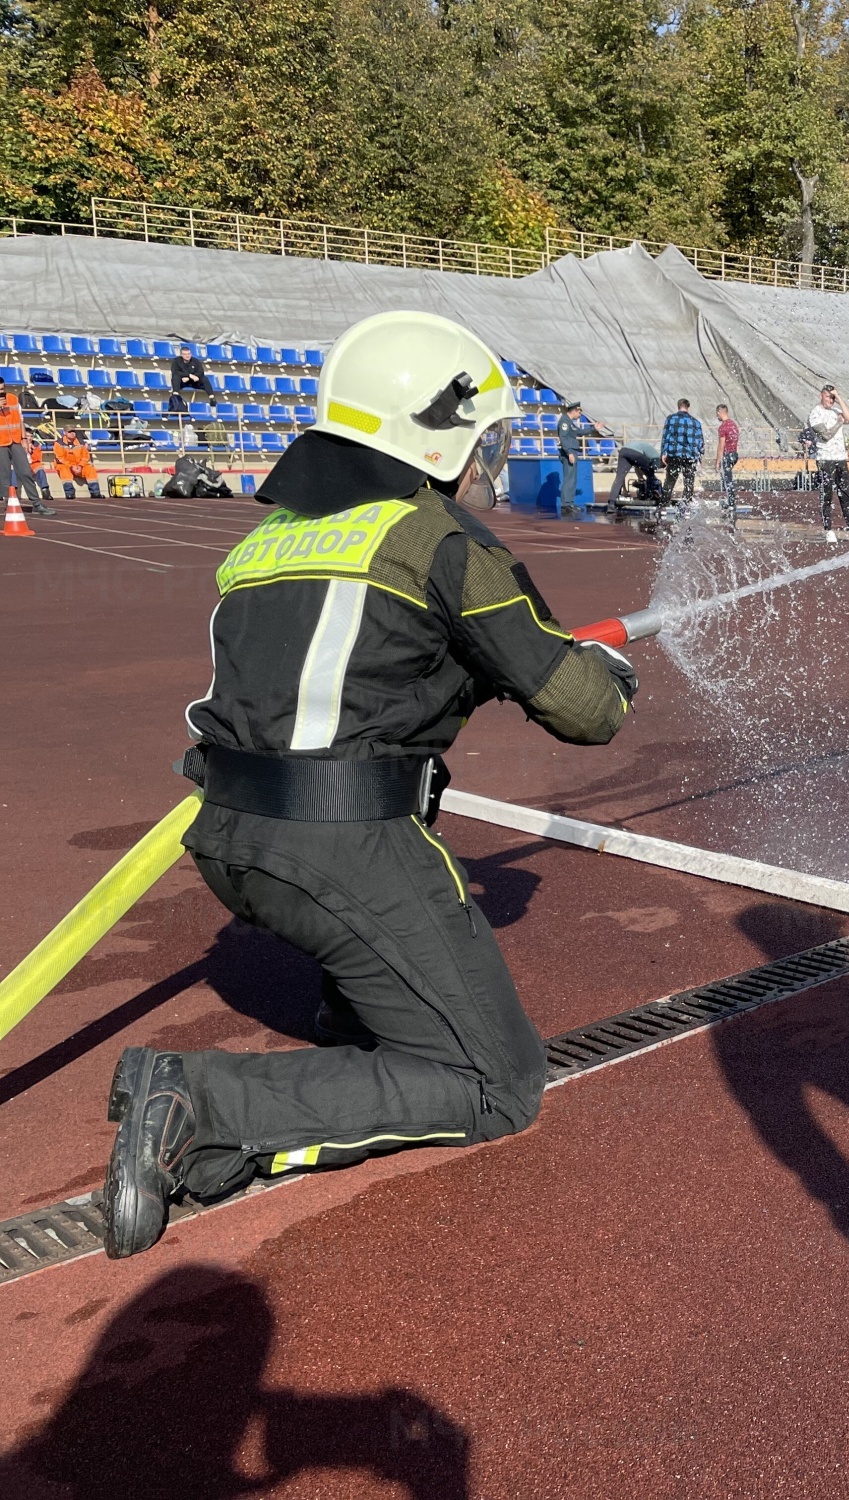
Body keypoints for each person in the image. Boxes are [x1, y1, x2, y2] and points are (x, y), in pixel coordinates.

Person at [98, 309, 638, 1260]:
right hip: (340, 845)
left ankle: (347, 1018)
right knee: (493, 1084)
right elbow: (586, 711)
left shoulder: (269, 540)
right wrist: (606, 676)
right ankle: (197, 1098)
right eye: (481, 438)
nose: (486, 460)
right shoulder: (444, 544)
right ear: (435, 434)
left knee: (385, 898)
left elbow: (348, 676)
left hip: (230, 836)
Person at [808, 384, 849, 543]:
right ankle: (828, 529)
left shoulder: (837, 411)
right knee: (827, 494)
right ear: (821, 396)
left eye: (833, 397)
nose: (830, 400)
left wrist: (840, 399)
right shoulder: (815, 413)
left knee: (846, 494)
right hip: (825, 459)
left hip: (840, 458)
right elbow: (825, 436)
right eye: (828, 396)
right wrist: (838, 423)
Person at [0, 379, 53, 515]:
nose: (2, 392)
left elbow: (20, 420)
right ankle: (10, 504)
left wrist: (24, 439)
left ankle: (36, 504)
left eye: (2, 389)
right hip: (1, 443)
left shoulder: (12, 399)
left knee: (25, 472)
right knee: (4, 475)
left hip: (16, 441)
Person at [554, 400, 595, 518]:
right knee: (569, 479)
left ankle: (570, 503)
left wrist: (593, 428)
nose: (580, 415)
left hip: (572, 452)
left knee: (572, 479)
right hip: (569, 453)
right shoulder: (564, 422)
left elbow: (579, 431)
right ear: (574, 411)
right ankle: (565, 505)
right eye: (579, 412)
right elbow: (563, 438)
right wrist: (569, 452)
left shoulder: (569, 422)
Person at [660, 398, 704, 509]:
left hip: (674, 454)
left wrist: (663, 452)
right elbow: (700, 440)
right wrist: (700, 456)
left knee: (670, 481)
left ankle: (665, 504)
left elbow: (666, 436)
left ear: (678, 406)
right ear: (688, 407)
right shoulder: (695, 422)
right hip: (690, 456)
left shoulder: (671, 419)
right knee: (689, 482)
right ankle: (686, 505)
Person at [608, 440, 664, 508]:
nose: (661, 467)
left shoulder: (647, 452)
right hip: (635, 452)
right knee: (650, 475)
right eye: (662, 466)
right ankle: (653, 496)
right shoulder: (657, 458)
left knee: (619, 477)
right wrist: (653, 480)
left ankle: (611, 504)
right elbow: (650, 470)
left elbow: (638, 468)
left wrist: (625, 490)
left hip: (623, 451)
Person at [51, 426, 103, 499]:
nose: (72, 433)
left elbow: (85, 456)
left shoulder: (81, 443)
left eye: (73, 431)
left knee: (90, 469)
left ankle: (95, 493)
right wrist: (72, 466)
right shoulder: (58, 443)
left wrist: (80, 466)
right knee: (64, 471)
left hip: (79, 465)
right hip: (65, 465)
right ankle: (69, 493)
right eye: (70, 432)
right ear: (64, 433)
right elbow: (60, 458)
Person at [168, 344, 215, 413]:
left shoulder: (196, 361)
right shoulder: (176, 361)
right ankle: (176, 396)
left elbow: (200, 372)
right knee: (175, 377)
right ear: (181, 355)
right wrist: (189, 375)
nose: (187, 356)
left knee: (204, 379)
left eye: (189, 354)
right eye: (185, 354)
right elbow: (175, 372)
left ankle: (212, 398)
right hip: (182, 382)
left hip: (193, 382)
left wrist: (191, 378)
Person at [716, 403, 740, 510]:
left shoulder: (723, 427)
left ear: (719, 412)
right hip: (734, 454)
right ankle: (730, 500)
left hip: (727, 454)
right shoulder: (733, 424)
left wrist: (717, 461)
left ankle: (731, 502)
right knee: (728, 477)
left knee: (727, 479)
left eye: (717, 414)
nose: (717, 416)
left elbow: (721, 445)